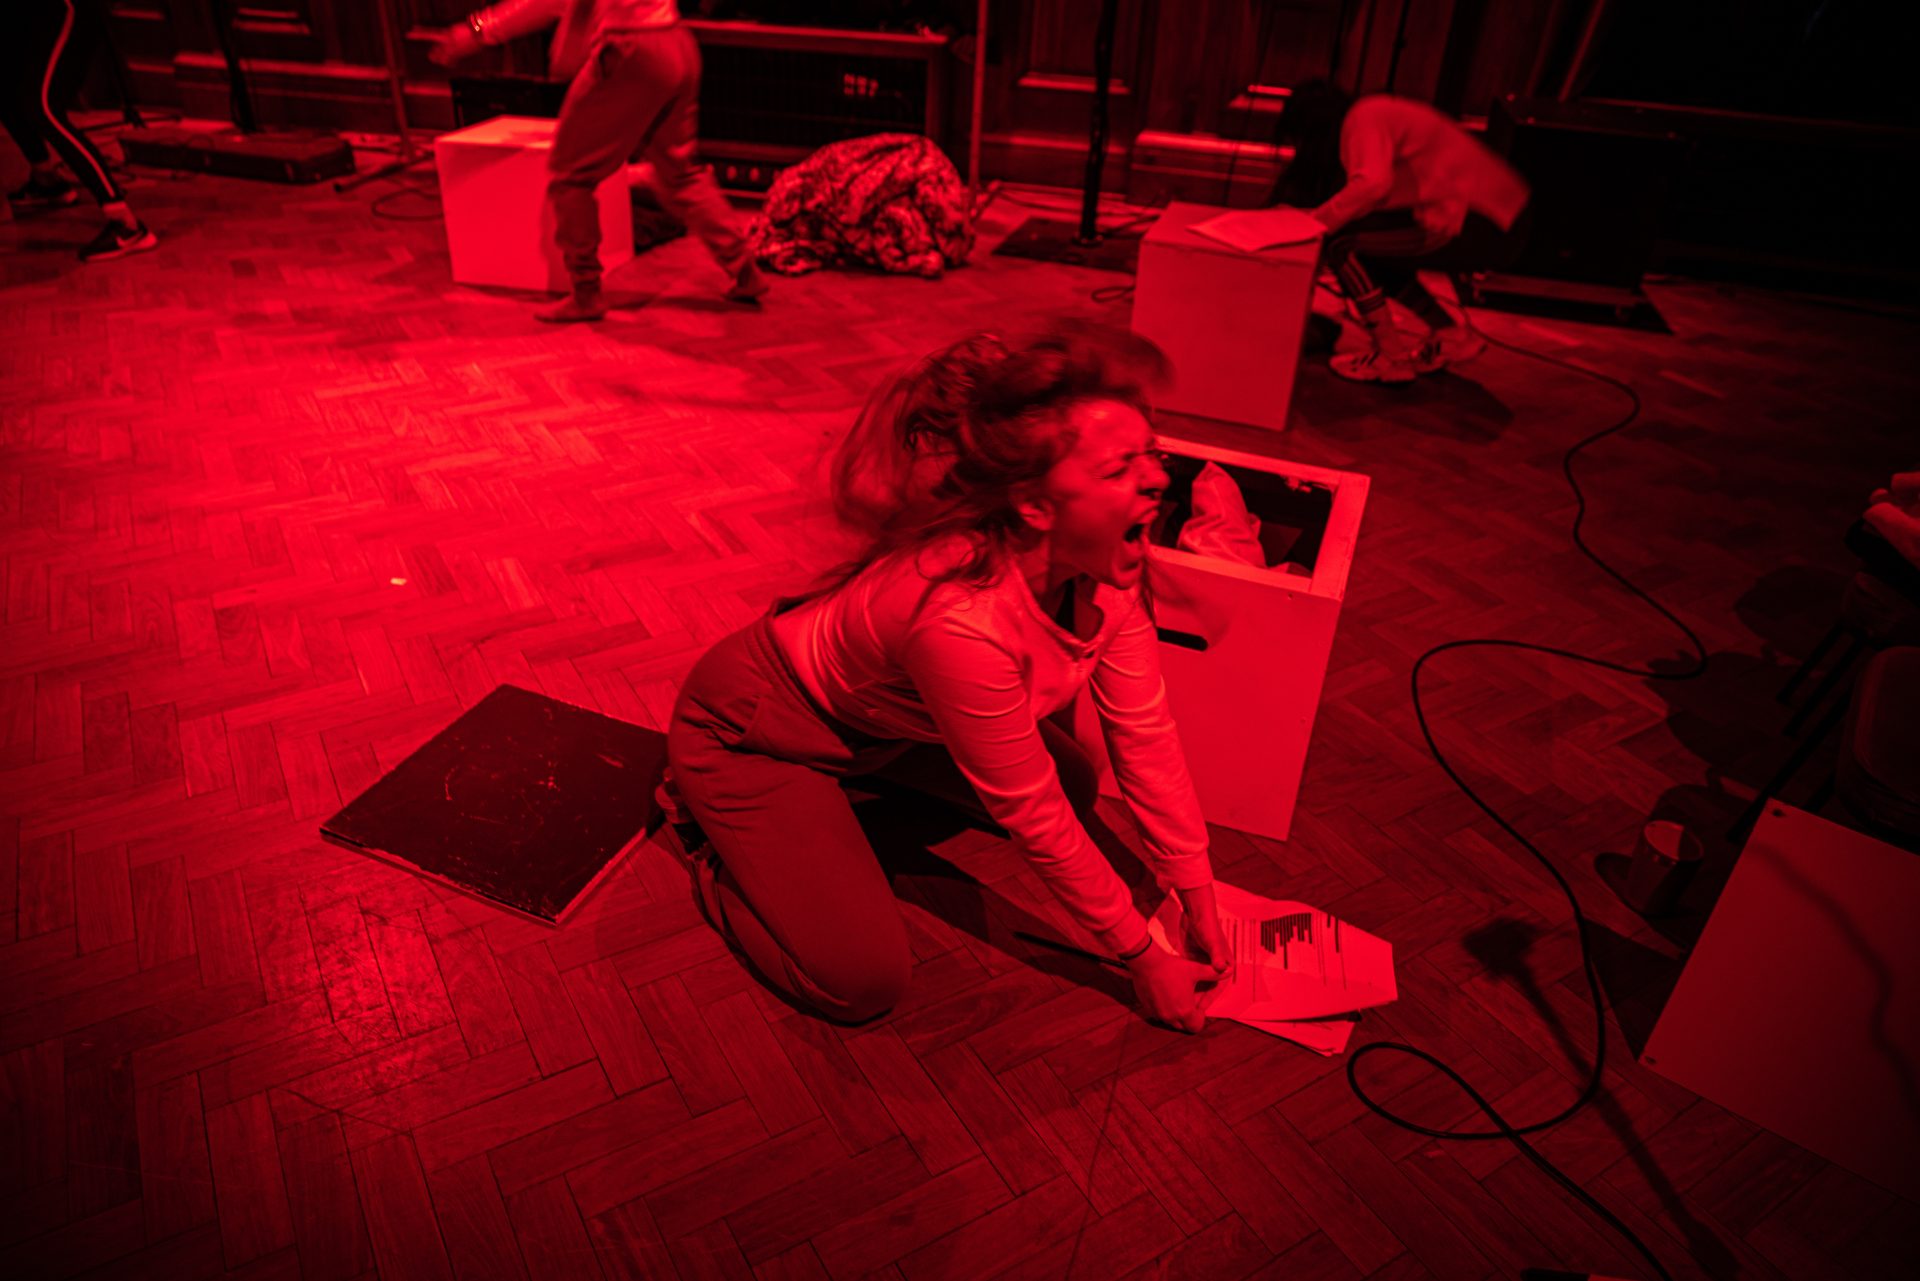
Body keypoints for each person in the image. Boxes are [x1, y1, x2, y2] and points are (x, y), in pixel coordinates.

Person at [663, 321, 1231, 1029]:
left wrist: (1196, 886)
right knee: (861, 979)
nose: (1156, 478)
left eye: (1150, 455)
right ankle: (714, 835)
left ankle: (825, 818)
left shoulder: (1108, 569)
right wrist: (1142, 958)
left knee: (1077, 781)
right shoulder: (959, 614)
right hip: (756, 728)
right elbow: (1035, 817)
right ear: (1035, 506)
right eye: (1118, 468)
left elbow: (1144, 731)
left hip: (884, 732)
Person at [428, 1, 768, 322]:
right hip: (676, 41)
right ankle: (744, 270)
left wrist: (477, 30)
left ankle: (586, 292)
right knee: (680, 173)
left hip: (631, 49)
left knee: (570, 175)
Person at [1273, 81, 1529, 385]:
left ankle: (1390, 356)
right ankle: (1453, 336)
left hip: (1480, 221)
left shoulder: (1364, 117)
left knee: (1341, 247)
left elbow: (1372, 185)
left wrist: (1314, 224)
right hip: (1503, 220)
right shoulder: (1376, 114)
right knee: (1374, 254)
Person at [1, 0, 157, 262]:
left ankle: (127, 226)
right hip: (28, 18)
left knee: (44, 109)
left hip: (63, 9)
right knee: (7, 96)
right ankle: (47, 183)